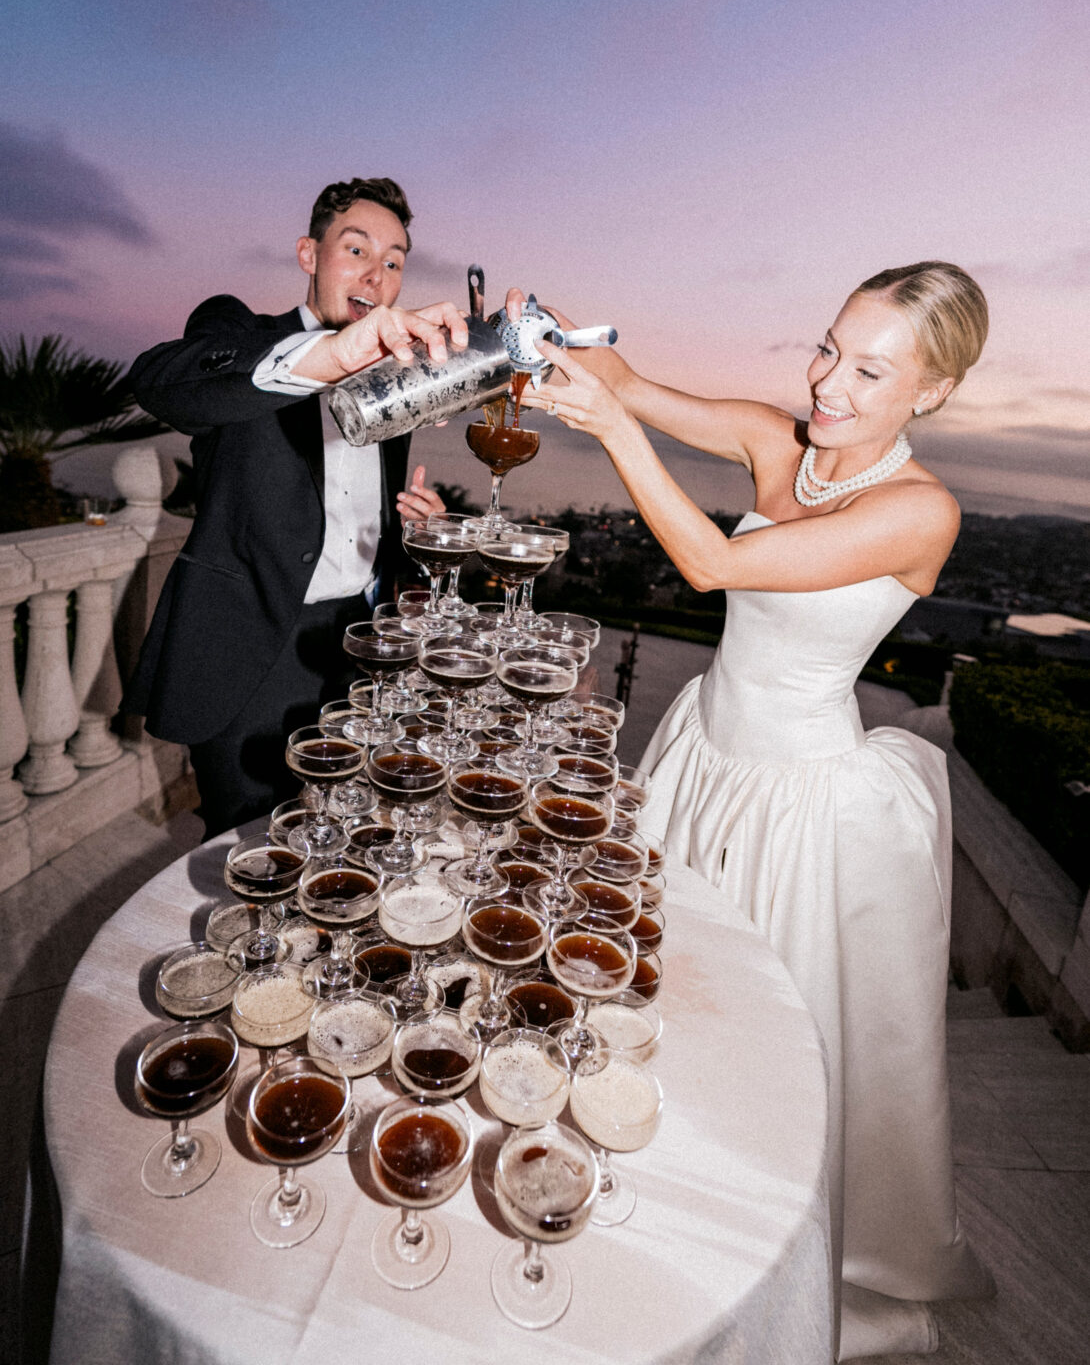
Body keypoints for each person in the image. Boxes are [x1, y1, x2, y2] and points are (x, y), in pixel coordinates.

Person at [518, 263, 994, 1359]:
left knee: (771, 1049)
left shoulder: (920, 508)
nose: (828, 381)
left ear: (931, 391)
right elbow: (628, 379)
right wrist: (547, 344)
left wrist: (610, 435)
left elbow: (711, 560)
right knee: (656, 996)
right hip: (703, 759)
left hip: (799, 806)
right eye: (828, 346)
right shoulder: (777, 437)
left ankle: (759, 1259)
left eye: (870, 369)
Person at [125, 176, 467, 838]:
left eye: (394, 261)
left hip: (360, 651)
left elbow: (357, 519)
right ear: (309, 255)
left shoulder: (394, 380)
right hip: (252, 654)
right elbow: (162, 381)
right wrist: (329, 358)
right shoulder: (245, 337)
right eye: (357, 249)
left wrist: (417, 532)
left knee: (350, 841)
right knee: (255, 849)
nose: (377, 273)